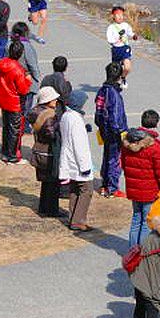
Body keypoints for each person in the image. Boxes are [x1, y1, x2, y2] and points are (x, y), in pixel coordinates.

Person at [121, 110, 160, 246]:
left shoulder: (127, 142)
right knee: (146, 221)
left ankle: (132, 250)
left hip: (133, 188)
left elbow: (123, 164)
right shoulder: (155, 147)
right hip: (149, 190)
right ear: (156, 124)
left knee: (136, 218)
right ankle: (142, 252)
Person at [59, 91, 95, 232]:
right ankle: (78, 221)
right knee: (86, 190)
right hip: (78, 162)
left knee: (74, 190)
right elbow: (80, 146)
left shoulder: (66, 116)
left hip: (69, 161)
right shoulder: (76, 119)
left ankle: (72, 217)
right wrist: (85, 166)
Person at [0, 41, 31, 164]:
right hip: (15, 102)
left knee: (6, 127)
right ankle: (13, 155)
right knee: (15, 129)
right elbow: (23, 89)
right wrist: (28, 80)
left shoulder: (0, 63)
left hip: (3, 98)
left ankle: (5, 152)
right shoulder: (18, 69)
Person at [95, 62, 128, 198]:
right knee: (114, 160)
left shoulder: (102, 90)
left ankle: (105, 185)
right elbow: (114, 115)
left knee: (107, 157)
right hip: (114, 132)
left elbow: (98, 111)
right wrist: (120, 132)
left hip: (104, 129)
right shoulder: (113, 93)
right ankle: (112, 188)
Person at [28, 86, 61, 217]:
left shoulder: (35, 112)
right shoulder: (49, 115)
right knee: (53, 182)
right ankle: (52, 210)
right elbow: (51, 134)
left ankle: (43, 207)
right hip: (48, 152)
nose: (56, 101)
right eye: (54, 99)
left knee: (45, 183)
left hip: (38, 150)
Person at [12, 21, 41, 133]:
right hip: (26, 80)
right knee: (26, 105)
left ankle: (16, 122)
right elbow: (32, 65)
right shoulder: (27, 47)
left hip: (13, 79)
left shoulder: (10, 44)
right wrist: (37, 78)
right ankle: (23, 126)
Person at [106, 6, 138, 88]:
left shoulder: (125, 25)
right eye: (118, 15)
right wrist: (117, 38)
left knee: (127, 67)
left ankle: (123, 78)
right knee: (116, 68)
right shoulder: (111, 28)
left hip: (125, 48)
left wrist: (133, 36)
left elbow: (130, 32)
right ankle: (114, 81)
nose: (120, 17)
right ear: (113, 16)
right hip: (116, 49)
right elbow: (110, 40)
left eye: (122, 15)